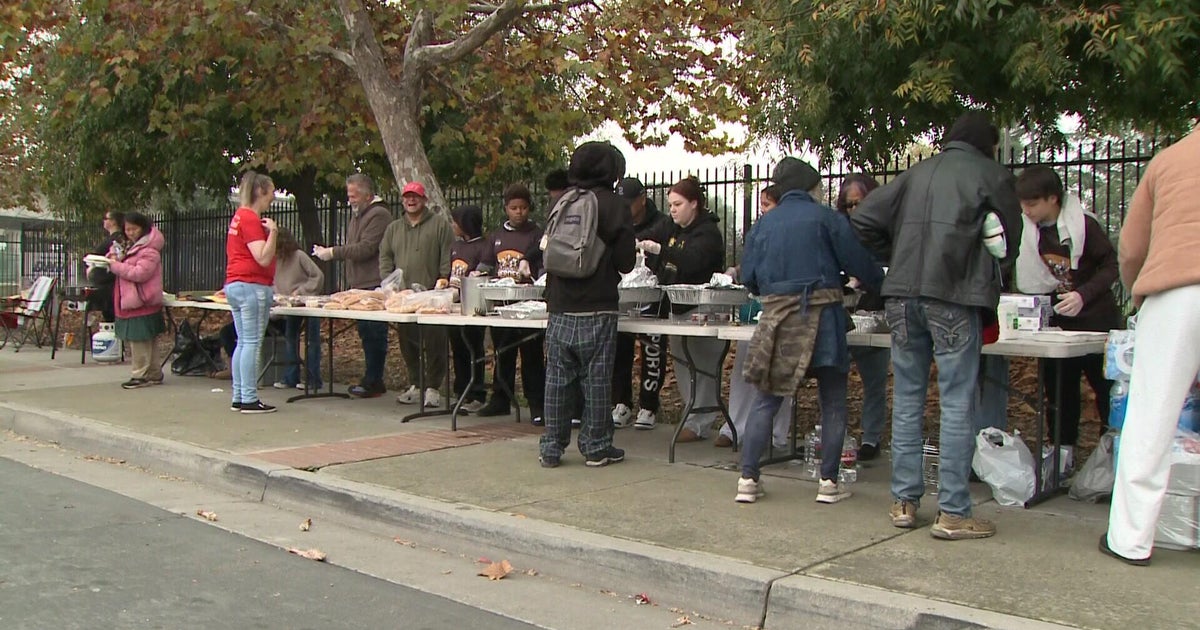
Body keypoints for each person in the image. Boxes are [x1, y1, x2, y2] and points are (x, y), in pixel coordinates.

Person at [852, 112, 1022, 539]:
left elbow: (862, 220)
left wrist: (901, 250)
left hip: (902, 295)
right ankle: (952, 512)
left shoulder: (915, 174)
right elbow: (1010, 242)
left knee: (907, 398)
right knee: (956, 401)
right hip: (954, 294)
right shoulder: (991, 174)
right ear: (989, 144)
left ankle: (904, 502)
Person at [735, 158, 884, 504]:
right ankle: (829, 483)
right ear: (811, 187)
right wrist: (879, 282)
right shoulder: (828, 219)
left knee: (766, 399)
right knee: (832, 399)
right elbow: (861, 265)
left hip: (779, 321)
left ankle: (747, 479)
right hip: (824, 320)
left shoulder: (763, 225)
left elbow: (748, 279)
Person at [1102, 128, 1200, 566]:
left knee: (1152, 414)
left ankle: (1130, 538)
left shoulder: (1169, 160)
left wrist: (1138, 293)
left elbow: (1132, 247)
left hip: (1176, 289)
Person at [539, 142, 636, 468]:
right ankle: (596, 447)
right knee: (596, 379)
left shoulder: (564, 201)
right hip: (598, 305)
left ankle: (551, 448)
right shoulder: (614, 204)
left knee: (557, 379)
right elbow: (625, 263)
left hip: (559, 305)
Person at [1015, 166, 1121, 456]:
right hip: (1058, 323)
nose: (1028, 211)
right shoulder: (1029, 231)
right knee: (1060, 389)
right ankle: (1062, 451)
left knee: (1107, 390)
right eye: (1023, 205)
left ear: (1053, 199)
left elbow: (1111, 265)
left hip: (1096, 320)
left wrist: (1083, 295)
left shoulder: (1084, 226)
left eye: (1033, 204)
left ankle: (1111, 451)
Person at [640, 176, 725, 442]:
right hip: (676, 304)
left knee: (703, 362)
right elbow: (649, 237)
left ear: (694, 204)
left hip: (702, 306)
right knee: (682, 361)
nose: (673, 209)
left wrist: (662, 251)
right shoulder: (671, 226)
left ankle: (702, 419)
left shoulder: (708, 233)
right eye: (670, 204)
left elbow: (694, 261)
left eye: (678, 204)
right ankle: (691, 413)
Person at [718, 185, 792, 450]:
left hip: (782, 308)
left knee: (778, 373)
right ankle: (736, 425)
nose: (763, 210)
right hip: (756, 307)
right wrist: (737, 272)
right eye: (761, 204)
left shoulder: (788, 232)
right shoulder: (759, 231)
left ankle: (774, 433)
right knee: (744, 369)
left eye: (767, 204)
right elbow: (749, 265)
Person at [312, 174, 392, 398]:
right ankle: (371, 377)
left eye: (353, 196)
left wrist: (333, 252)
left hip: (373, 283)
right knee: (366, 332)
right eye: (349, 196)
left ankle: (374, 379)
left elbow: (366, 248)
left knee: (374, 333)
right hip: (359, 283)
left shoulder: (379, 215)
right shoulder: (358, 216)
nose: (350, 200)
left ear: (368, 194)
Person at [379, 181, 455, 407]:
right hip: (403, 297)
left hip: (432, 295)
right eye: (407, 197)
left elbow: (447, 255)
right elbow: (385, 256)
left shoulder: (440, 225)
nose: (411, 201)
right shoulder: (394, 228)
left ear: (424, 200)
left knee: (435, 342)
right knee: (407, 341)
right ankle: (416, 383)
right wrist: (389, 284)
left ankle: (433, 387)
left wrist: (444, 279)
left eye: (416, 197)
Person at [477, 183, 547, 422]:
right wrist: (478, 275)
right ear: (506, 208)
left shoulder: (537, 234)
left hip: (529, 304)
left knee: (532, 355)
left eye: (524, 208)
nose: (519, 212)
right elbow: (486, 265)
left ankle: (537, 404)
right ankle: (500, 399)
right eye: (514, 208)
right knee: (503, 353)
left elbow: (543, 264)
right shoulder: (496, 237)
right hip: (502, 304)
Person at [835, 174, 892, 461]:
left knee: (875, 380)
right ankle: (837, 435)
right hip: (845, 313)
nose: (856, 210)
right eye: (850, 205)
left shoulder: (888, 230)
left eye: (861, 203)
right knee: (836, 379)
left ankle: (871, 438)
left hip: (877, 311)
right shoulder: (840, 231)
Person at [612, 176, 672, 430]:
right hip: (622, 295)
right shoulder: (617, 223)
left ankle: (648, 405)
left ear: (642, 199)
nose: (625, 207)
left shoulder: (662, 223)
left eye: (629, 202)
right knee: (619, 348)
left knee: (652, 348)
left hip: (652, 295)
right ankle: (621, 403)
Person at [224, 171, 279, 413]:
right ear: (260, 191)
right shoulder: (250, 219)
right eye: (271, 192)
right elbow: (262, 257)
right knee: (252, 343)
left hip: (236, 283)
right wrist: (274, 232)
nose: (273, 197)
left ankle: (239, 394)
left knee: (242, 342)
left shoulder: (238, 217)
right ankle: (248, 397)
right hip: (252, 285)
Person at [106, 212, 166, 390]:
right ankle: (153, 373)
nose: (130, 232)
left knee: (140, 340)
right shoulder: (129, 247)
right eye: (127, 229)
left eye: (134, 229)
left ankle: (140, 374)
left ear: (143, 228)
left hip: (142, 300)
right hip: (135, 299)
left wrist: (115, 266)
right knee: (146, 339)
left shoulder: (149, 250)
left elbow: (139, 273)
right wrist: (113, 257)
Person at [447, 204, 491, 412]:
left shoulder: (483, 246)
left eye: (456, 221)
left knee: (473, 348)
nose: (453, 225)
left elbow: (482, 273)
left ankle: (477, 392)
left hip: (473, 306)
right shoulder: (456, 246)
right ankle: (461, 390)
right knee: (458, 350)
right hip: (454, 304)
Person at [271, 227, 324, 391]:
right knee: (290, 340)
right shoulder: (273, 260)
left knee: (311, 341)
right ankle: (290, 376)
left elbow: (317, 276)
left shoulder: (299, 256)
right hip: (289, 307)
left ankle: (313, 379)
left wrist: (301, 291)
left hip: (308, 304)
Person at [86, 211, 126, 324]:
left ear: (113, 221)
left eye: (106, 218)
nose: (103, 221)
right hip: (104, 283)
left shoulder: (117, 240)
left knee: (111, 317)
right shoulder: (112, 239)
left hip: (110, 286)